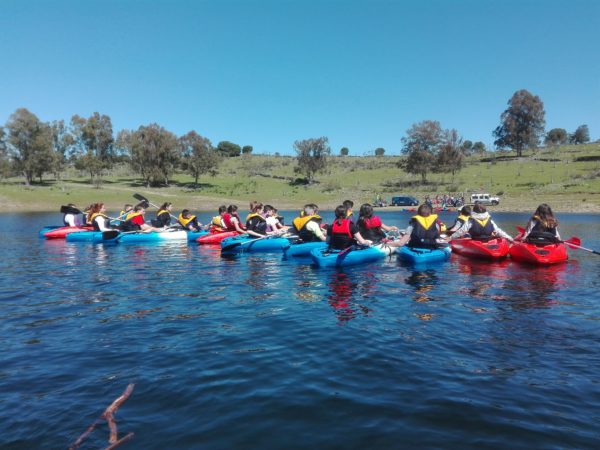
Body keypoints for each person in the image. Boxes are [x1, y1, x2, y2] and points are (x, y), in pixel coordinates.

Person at [448, 202, 513, 242]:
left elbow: (461, 231)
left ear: (474, 211)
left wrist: (450, 238)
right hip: (487, 241)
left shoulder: (471, 220)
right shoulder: (490, 220)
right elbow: (499, 231)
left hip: (476, 241)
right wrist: (510, 238)